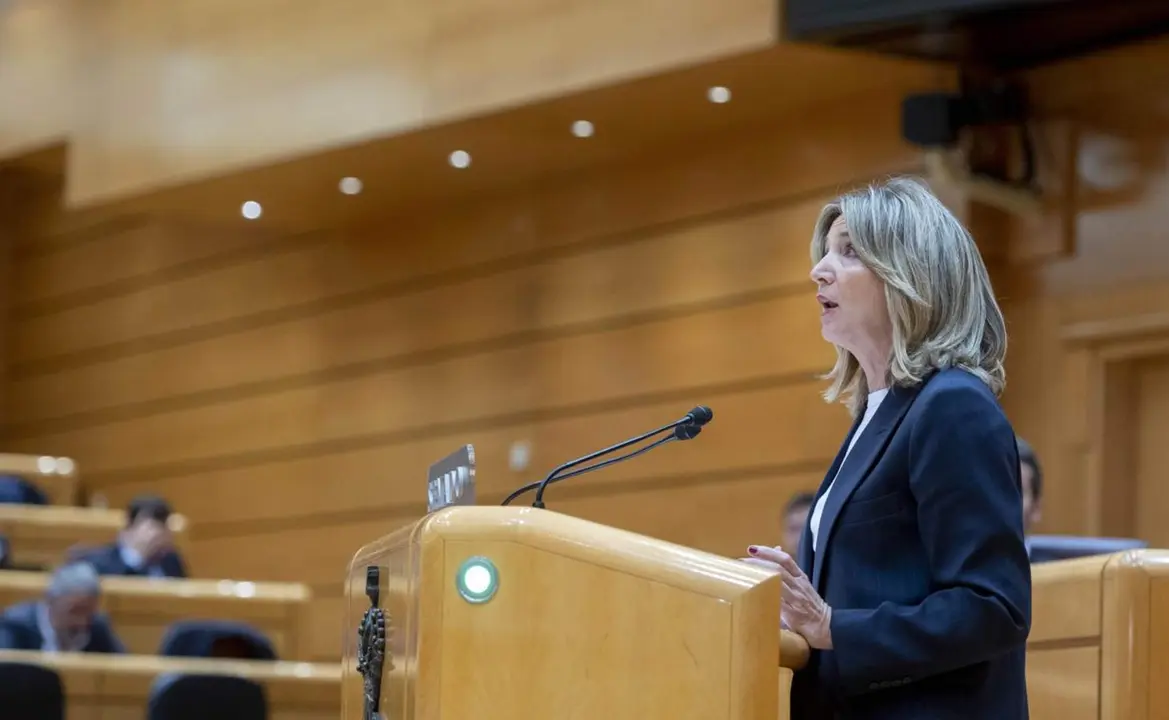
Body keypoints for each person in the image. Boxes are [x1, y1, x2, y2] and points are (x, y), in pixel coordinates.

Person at [743, 178, 1030, 718]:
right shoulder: (879, 413)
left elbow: (993, 609)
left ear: (911, 275)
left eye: (849, 251)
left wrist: (832, 626)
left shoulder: (952, 406)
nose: (819, 270)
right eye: (825, 252)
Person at [0, 561, 125, 653]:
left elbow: (122, 665)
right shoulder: (15, 625)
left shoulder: (97, 627)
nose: (81, 621)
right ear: (51, 601)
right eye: (74, 611)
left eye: (88, 613)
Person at [73, 495, 187, 578]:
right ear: (128, 529)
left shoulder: (171, 562)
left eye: (163, 528)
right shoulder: (99, 563)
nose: (157, 535)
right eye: (150, 528)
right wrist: (140, 558)